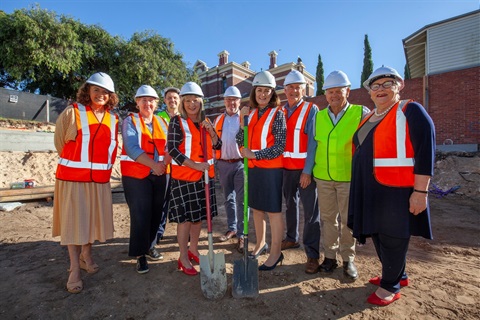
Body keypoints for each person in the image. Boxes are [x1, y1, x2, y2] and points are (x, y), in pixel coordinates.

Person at [347, 66, 435, 306]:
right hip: (371, 188)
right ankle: (398, 274)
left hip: (396, 189)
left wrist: (420, 191)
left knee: (393, 236)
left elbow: (425, 152)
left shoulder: (410, 110)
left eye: (388, 83)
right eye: (375, 86)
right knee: (377, 232)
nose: (381, 89)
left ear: (400, 85)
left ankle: (390, 286)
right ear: (370, 92)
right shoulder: (368, 117)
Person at [52, 72, 119, 293]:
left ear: (111, 96)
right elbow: (60, 142)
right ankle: (73, 269)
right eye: (96, 90)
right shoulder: (73, 113)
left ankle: (86, 256)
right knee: (74, 223)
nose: (101, 94)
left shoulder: (113, 119)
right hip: (73, 179)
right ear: (87, 91)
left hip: (98, 180)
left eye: (105, 92)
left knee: (90, 222)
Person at [313, 70, 371, 279]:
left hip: (348, 177)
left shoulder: (360, 112)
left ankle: (348, 260)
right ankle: (329, 256)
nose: (334, 95)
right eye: (330, 92)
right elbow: (313, 146)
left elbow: (368, 145)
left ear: (348, 91)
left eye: (339, 91)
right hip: (323, 176)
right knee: (328, 219)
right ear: (325, 94)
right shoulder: (318, 116)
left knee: (347, 220)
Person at [168, 82, 221, 276]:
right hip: (184, 178)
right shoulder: (176, 121)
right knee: (185, 220)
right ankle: (182, 257)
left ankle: (193, 250)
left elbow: (217, 144)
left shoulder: (206, 121)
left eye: (195, 100)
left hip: (203, 178)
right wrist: (195, 165)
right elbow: (173, 150)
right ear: (182, 102)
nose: (191, 104)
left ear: (201, 102)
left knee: (198, 219)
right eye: (188, 101)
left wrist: (212, 132)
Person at [236, 71, 286, 271]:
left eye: (267, 90)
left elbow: (279, 145)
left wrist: (254, 155)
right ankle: (260, 244)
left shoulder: (278, 114)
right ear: (254, 92)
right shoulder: (251, 114)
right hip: (254, 169)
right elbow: (240, 141)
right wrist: (242, 124)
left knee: (273, 212)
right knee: (256, 209)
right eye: (259, 90)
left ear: (272, 93)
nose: (263, 94)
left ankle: (276, 253)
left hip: (271, 170)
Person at [120, 85, 170, 274]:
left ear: (156, 103)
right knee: (140, 214)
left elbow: (169, 147)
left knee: (157, 213)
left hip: (160, 173)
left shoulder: (162, 123)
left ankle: (150, 245)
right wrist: (154, 165)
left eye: (151, 100)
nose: (147, 103)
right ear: (137, 102)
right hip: (136, 175)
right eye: (143, 100)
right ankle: (140, 255)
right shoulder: (130, 121)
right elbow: (132, 148)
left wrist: (163, 164)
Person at [280, 70, 321, 275]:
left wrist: (308, 171)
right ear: (285, 90)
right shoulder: (280, 111)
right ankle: (291, 238)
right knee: (289, 205)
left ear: (303, 89)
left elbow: (313, 142)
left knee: (311, 212)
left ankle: (312, 254)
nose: (294, 91)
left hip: (305, 171)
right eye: (290, 88)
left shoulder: (310, 109)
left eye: (297, 87)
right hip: (286, 169)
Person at [213, 86, 245, 253]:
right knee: (228, 199)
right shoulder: (218, 120)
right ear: (224, 101)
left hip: (241, 163)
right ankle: (232, 228)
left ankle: (242, 234)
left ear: (239, 101)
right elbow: (214, 142)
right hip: (223, 163)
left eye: (234, 99)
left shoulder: (244, 118)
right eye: (228, 99)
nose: (231, 102)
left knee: (242, 200)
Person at [154, 87, 180, 244]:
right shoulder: (158, 118)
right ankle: (159, 231)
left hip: (181, 168)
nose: (172, 101)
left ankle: (182, 232)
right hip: (165, 167)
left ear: (179, 100)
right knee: (162, 202)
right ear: (164, 101)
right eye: (169, 98)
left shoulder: (185, 118)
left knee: (179, 202)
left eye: (175, 98)